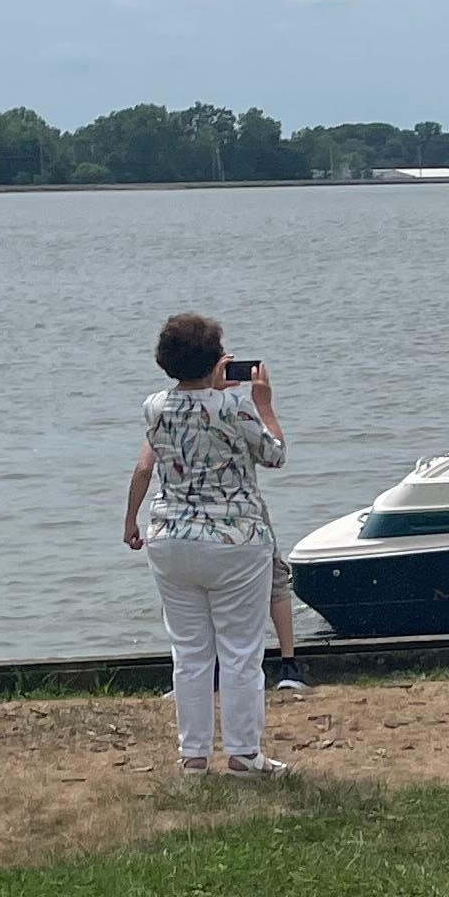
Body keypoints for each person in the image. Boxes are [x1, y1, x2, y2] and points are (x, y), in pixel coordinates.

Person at [122, 309, 298, 774]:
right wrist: (264, 404)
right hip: (235, 539)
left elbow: (152, 461)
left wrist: (130, 520)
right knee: (241, 651)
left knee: (190, 652)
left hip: (172, 537)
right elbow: (274, 455)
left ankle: (193, 754)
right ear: (217, 359)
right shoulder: (235, 407)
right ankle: (243, 752)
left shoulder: (153, 407)